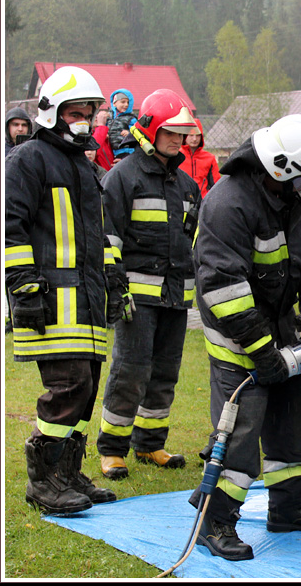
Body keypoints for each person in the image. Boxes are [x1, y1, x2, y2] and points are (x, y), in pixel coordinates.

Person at [189, 114, 301, 561]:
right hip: (238, 337)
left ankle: (289, 507)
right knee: (240, 429)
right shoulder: (228, 206)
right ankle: (214, 522)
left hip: (282, 326)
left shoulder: (295, 196)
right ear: (281, 169)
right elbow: (224, 291)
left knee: (294, 419)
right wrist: (262, 353)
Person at [5, 66, 117, 514]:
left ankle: (68, 473)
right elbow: (9, 228)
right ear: (52, 113)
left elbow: (96, 234)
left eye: (89, 112)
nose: (84, 120)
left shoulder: (82, 164)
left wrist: (114, 279)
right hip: (49, 299)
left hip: (87, 299)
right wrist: (23, 287)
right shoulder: (28, 159)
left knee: (86, 389)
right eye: (75, 111)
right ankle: (43, 482)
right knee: (69, 385)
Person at [96, 89, 200, 480]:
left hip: (175, 295)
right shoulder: (122, 177)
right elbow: (108, 238)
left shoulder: (187, 186)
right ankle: (112, 448)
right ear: (150, 131)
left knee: (165, 371)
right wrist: (115, 285)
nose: (178, 140)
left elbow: (192, 240)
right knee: (130, 369)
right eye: (171, 133)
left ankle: (150, 443)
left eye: (182, 134)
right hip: (136, 297)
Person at [178, 118, 221, 198]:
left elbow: (217, 185)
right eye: (191, 135)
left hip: (203, 202)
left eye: (198, 135)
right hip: (181, 201)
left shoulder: (209, 158)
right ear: (185, 136)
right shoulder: (176, 156)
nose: (194, 139)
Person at [107, 88, 138, 161]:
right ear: (114, 103)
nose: (126, 105)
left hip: (127, 150)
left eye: (128, 102)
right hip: (113, 150)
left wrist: (130, 134)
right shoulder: (109, 117)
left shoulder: (131, 118)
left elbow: (138, 132)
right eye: (123, 102)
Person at [91, 106, 114, 171]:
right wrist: (101, 126)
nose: (96, 117)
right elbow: (94, 150)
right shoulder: (99, 133)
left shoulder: (103, 134)